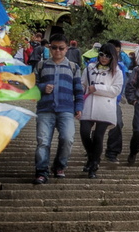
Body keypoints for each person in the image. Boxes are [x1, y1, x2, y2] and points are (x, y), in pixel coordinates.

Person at [33, 35, 83, 185]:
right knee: (43, 142)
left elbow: (78, 90)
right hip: (45, 109)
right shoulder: (41, 66)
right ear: (50, 48)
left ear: (67, 49)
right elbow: (31, 86)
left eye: (61, 48)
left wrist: (79, 107)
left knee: (67, 139)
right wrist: (42, 88)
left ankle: (59, 165)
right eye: (54, 47)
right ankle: (41, 171)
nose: (57, 51)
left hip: (66, 109)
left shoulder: (73, 67)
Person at [79, 43, 123, 179]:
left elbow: (116, 90)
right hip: (88, 104)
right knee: (85, 132)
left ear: (113, 57)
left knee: (98, 136)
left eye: (108, 55)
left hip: (105, 107)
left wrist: (97, 88)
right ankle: (93, 157)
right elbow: (83, 84)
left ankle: (93, 165)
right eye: (101, 54)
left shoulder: (117, 72)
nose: (104, 58)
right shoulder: (90, 68)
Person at [102, 39, 128, 163]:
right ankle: (92, 150)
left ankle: (112, 152)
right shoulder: (92, 65)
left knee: (117, 123)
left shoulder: (120, 67)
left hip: (113, 101)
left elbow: (120, 86)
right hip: (95, 100)